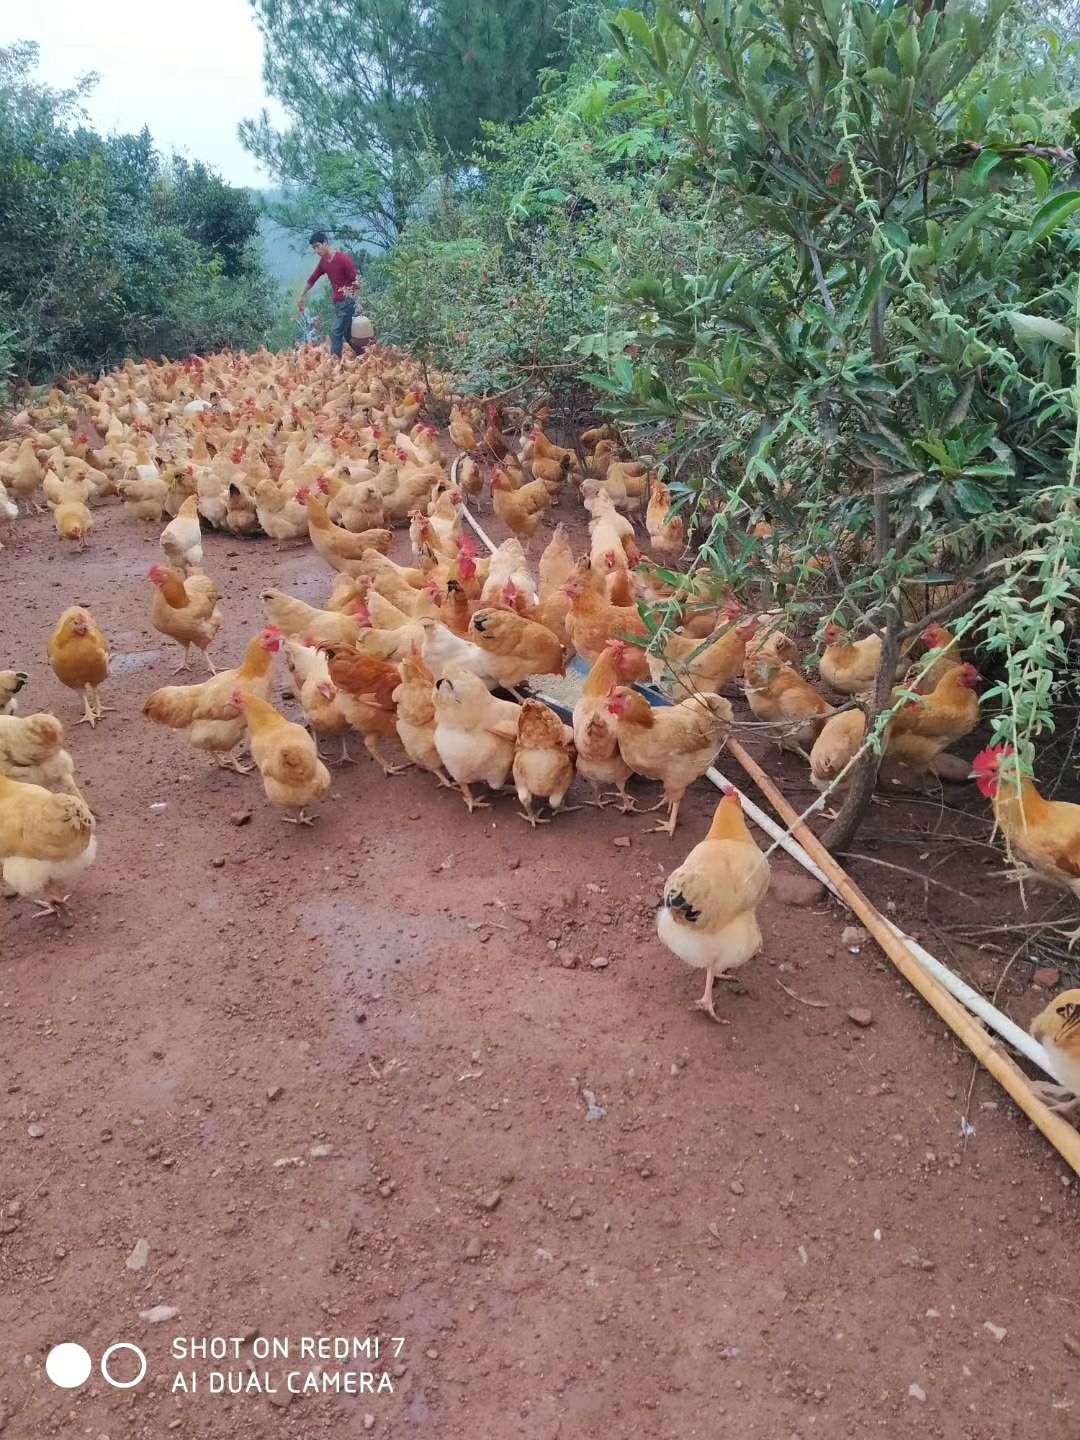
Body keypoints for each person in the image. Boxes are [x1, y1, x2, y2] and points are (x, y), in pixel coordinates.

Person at [297, 232, 364, 359]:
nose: (316, 250)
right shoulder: (323, 262)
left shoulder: (343, 259)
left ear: (325, 243)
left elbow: (356, 281)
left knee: (336, 331)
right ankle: (365, 354)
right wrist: (302, 295)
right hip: (338, 304)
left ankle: (334, 365)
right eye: (314, 248)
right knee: (348, 334)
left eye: (318, 246)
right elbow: (313, 279)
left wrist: (358, 302)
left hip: (348, 301)